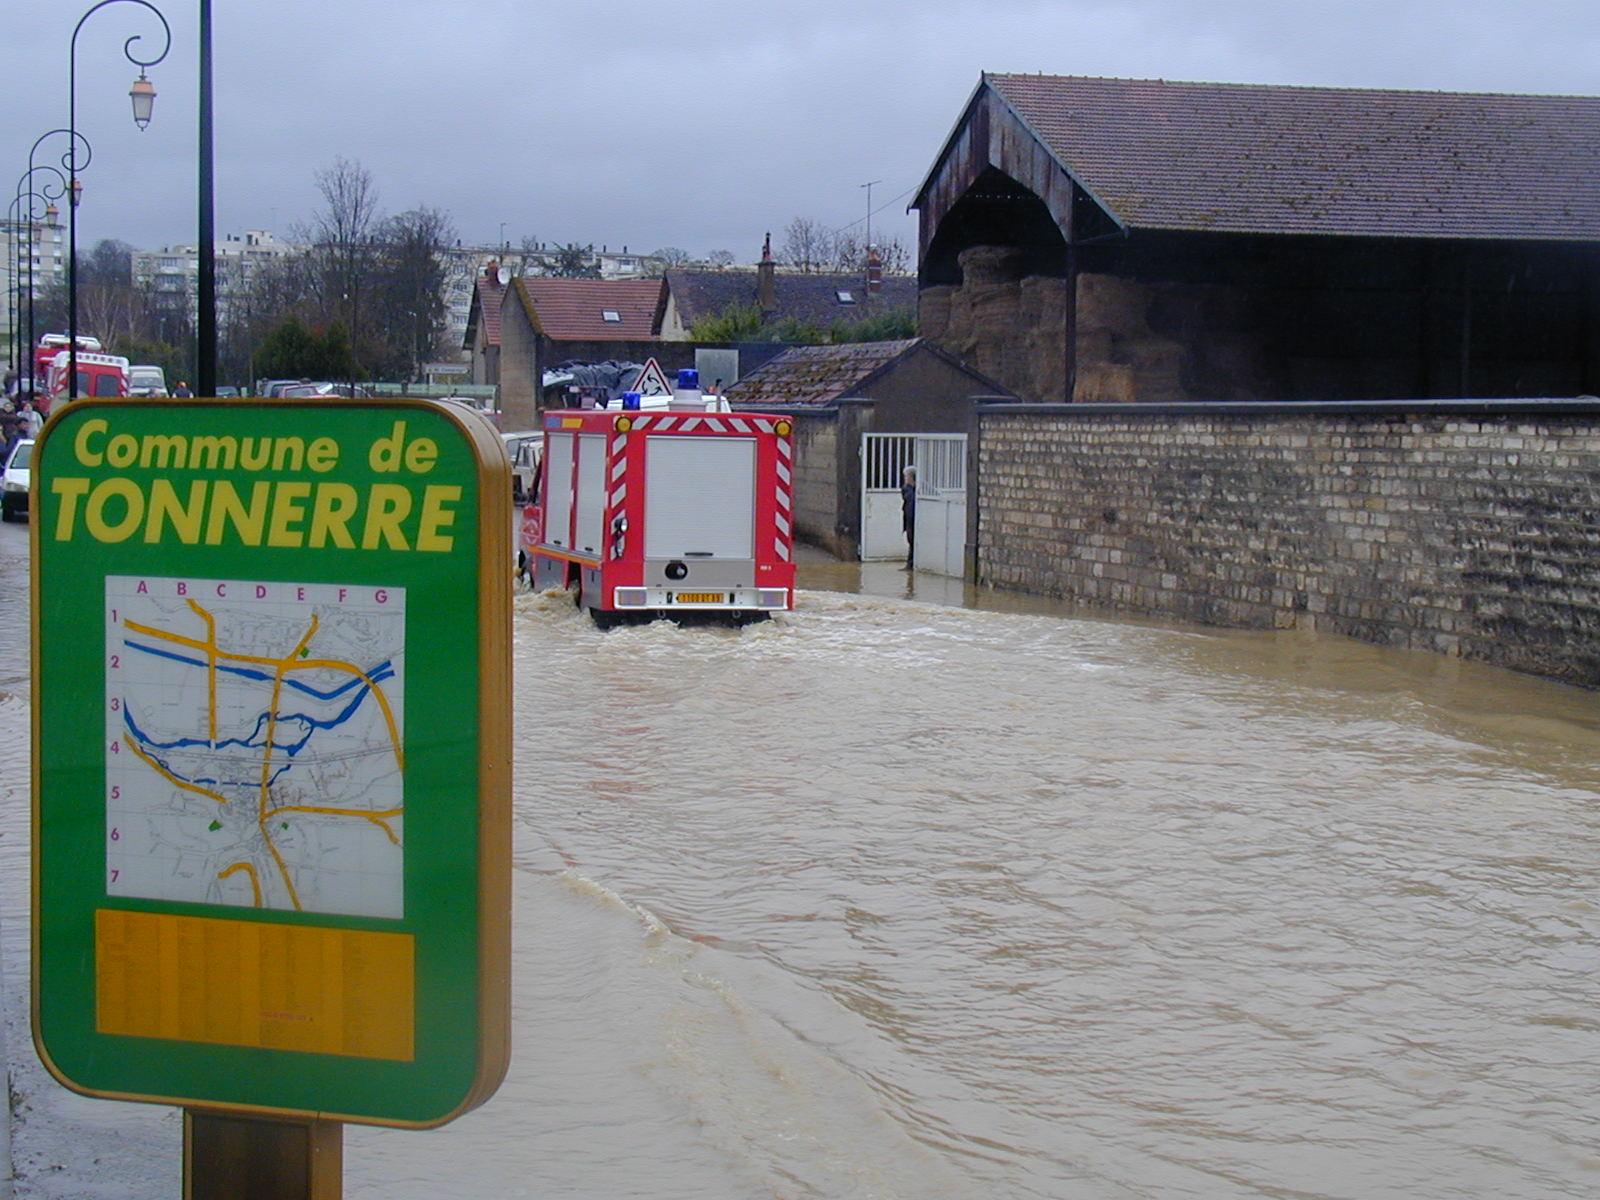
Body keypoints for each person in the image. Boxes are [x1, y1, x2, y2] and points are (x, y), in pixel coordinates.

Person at [901, 465, 917, 569]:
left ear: (911, 477)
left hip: (912, 520)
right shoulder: (908, 490)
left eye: (906, 476)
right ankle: (910, 564)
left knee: (912, 542)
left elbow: (910, 507)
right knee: (911, 542)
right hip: (909, 521)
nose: (905, 479)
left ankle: (910, 564)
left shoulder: (911, 491)